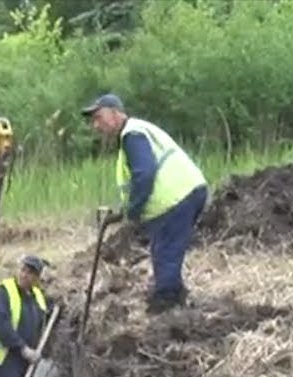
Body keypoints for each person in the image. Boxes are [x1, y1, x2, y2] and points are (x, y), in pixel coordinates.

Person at [82, 93, 209, 313]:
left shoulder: (133, 135)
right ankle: (176, 299)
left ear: (115, 114)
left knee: (165, 252)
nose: (96, 125)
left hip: (177, 197)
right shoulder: (133, 135)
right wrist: (125, 210)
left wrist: (133, 212)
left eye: (99, 118)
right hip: (184, 194)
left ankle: (166, 307)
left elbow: (144, 174)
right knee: (164, 250)